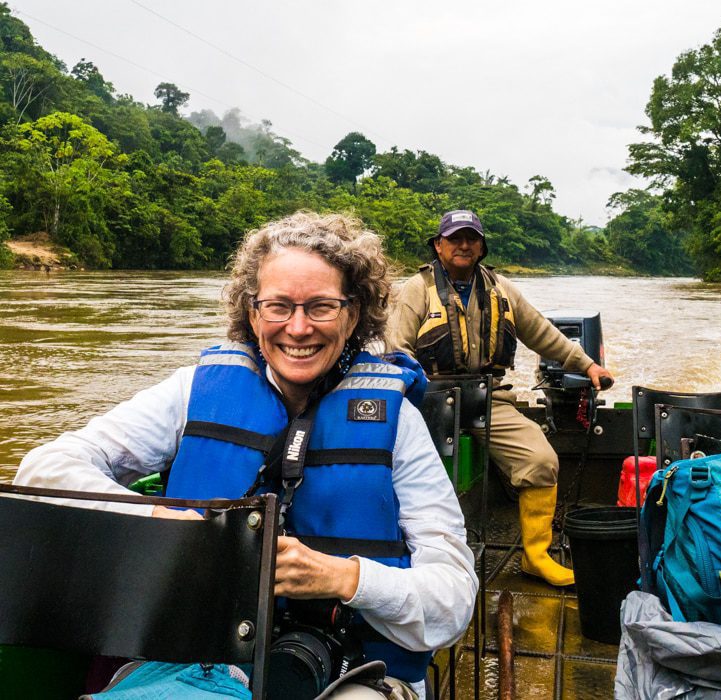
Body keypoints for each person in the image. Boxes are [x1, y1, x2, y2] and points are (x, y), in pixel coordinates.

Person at [14, 211, 477, 699]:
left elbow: (453, 600)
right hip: (200, 660)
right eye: (278, 306)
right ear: (253, 312)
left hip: (356, 670)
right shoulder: (195, 391)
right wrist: (163, 521)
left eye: (321, 306)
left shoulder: (397, 422)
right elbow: (42, 469)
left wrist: (340, 576)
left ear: (353, 312)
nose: (297, 329)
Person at [388, 209, 614, 588]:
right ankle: (408, 550)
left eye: (471, 239)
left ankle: (536, 557)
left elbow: (542, 333)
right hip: (427, 395)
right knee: (396, 466)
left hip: (487, 396)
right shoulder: (416, 289)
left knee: (541, 460)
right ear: (438, 245)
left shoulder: (502, 289)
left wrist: (589, 365)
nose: (463, 245)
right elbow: (396, 349)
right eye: (455, 238)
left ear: (481, 247)